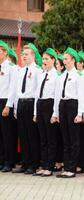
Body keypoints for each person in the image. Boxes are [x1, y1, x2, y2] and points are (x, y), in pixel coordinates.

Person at [54, 47, 84, 178]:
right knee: (65, 139)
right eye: (63, 59)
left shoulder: (78, 76)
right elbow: (57, 96)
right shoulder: (61, 77)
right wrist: (55, 113)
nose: (64, 61)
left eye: (66, 59)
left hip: (73, 105)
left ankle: (71, 168)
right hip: (63, 105)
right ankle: (66, 166)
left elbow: (82, 96)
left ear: (73, 60)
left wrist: (80, 114)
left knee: (73, 139)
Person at [13, 43, 42, 174]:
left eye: (26, 54)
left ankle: (33, 164)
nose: (23, 56)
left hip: (31, 103)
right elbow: (17, 90)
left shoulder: (37, 70)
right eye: (23, 54)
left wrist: (36, 111)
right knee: (23, 135)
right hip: (21, 103)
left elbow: (37, 92)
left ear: (33, 55)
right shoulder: (20, 70)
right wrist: (15, 107)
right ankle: (25, 162)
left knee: (32, 135)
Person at [33, 48, 59, 176]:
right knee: (42, 138)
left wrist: (55, 113)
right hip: (40, 104)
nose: (44, 61)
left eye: (47, 59)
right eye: (43, 59)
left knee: (51, 138)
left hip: (50, 105)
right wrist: (35, 112)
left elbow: (57, 96)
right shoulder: (41, 75)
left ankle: (50, 166)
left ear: (53, 60)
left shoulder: (56, 76)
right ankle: (43, 165)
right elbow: (37, 94)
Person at [0, 41, 18, 172]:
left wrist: (8, 105)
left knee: (7, 134)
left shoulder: (11, 67)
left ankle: (9, 161)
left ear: (5, 52)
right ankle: (1, 160)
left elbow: (13, 88)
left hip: (6, 102)